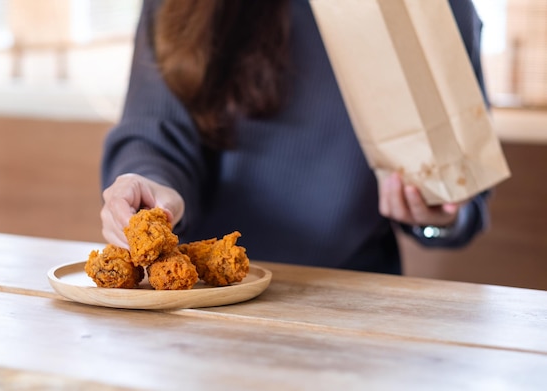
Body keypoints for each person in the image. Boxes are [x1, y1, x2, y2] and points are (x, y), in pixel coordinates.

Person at [100, 0, 491, 274]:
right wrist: (148, 188)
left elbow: (464, 205)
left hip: (353, 302)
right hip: (203, 298)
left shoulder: (435, 13)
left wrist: (435, 217)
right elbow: (155, 135)